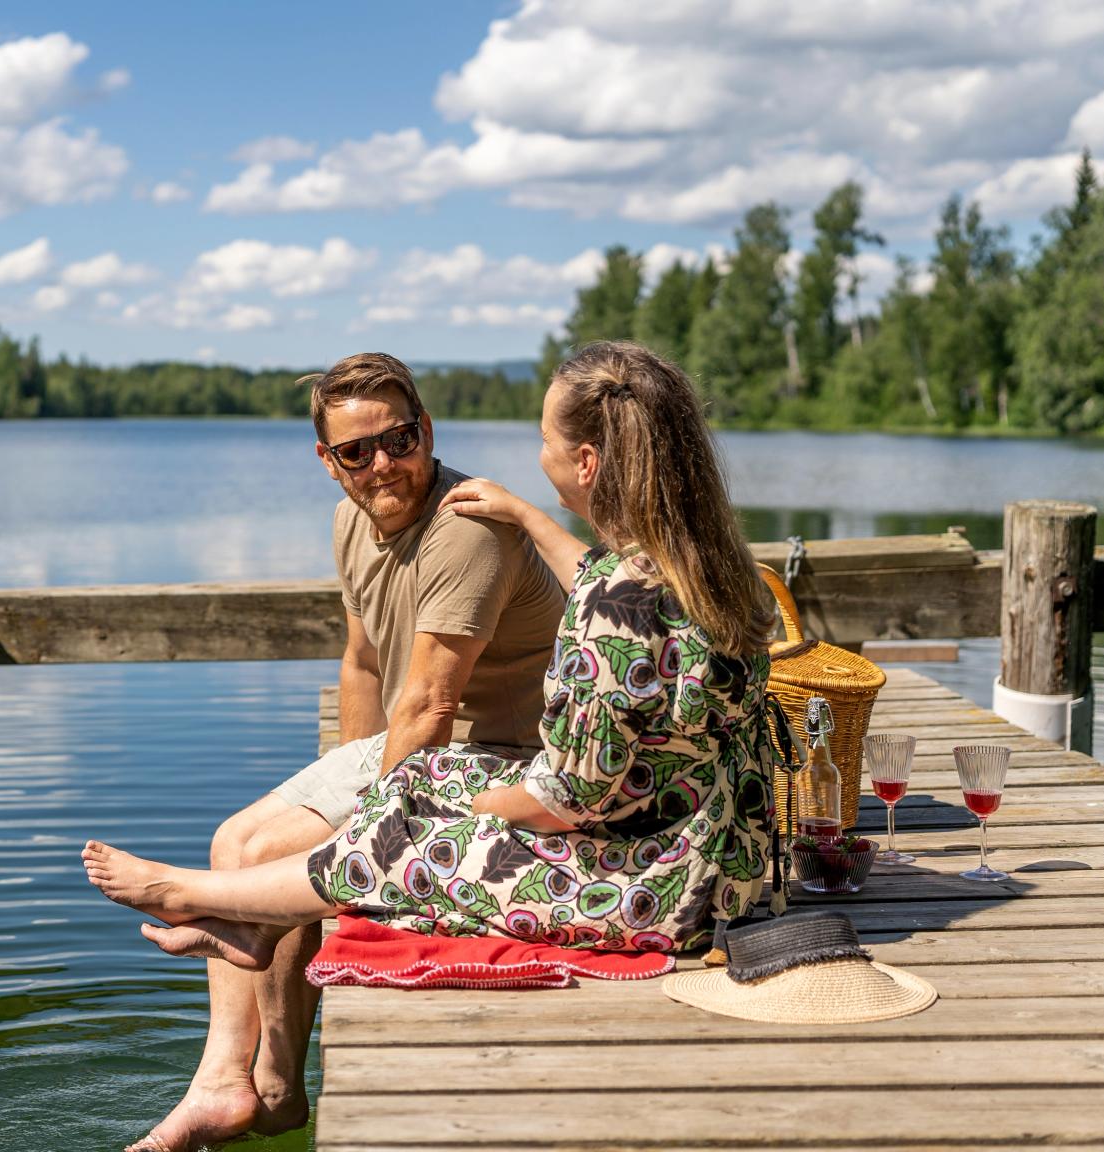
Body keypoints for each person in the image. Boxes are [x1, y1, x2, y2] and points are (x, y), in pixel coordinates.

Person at [82, 339, 780, 1020]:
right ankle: (247, 921)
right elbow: (610, 588)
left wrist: (472, 809)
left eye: (545, 441)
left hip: (652, 887)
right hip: (720, 854)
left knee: (406, 837)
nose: (539, 457)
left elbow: (569, 800)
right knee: (416, 778)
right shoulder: (714, 574)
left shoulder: (610, 611)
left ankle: (191, 894)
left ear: (587, 462)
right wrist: (526, 515)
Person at [129, 352, 567, 1152]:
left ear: (425, 430)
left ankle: (247, 1087)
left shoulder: (466, 531)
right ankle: (253, 1085)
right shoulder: (350, 522)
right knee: (234, 842)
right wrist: (345, 781)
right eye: (357, 452)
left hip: (510, 758)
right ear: (328, 462)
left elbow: (431, 705)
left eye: (398, 440)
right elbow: (363, 665)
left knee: (265, 855)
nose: (383, 465)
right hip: (424, 743)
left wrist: (364, 839)